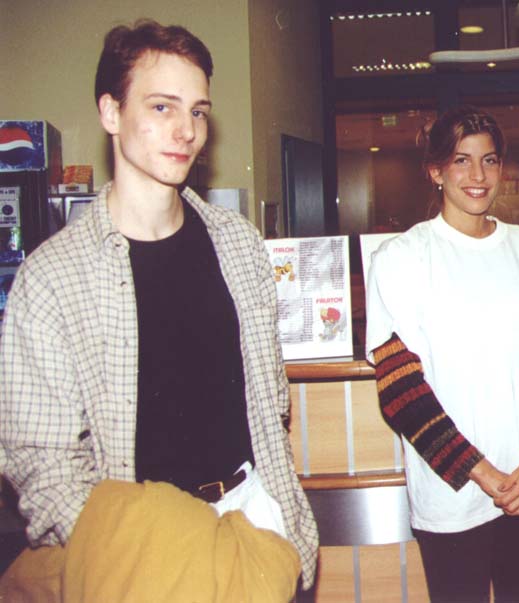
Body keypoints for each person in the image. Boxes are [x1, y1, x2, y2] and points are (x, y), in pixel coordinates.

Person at [0, 19, 318, 591]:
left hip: (252, 521)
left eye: (198, 111)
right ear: (111, 112)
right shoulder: (52, 277)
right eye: (162, 107)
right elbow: (41, 461)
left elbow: (269, 404)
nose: (186, 131)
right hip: (134, 548)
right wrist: (125, 547)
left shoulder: (239, 244)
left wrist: (275, 524)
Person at [365, 106, 519, 602]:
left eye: (489, 160)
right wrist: (485, 474)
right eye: (461, 160)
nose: (477, 176)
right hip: (454, 497)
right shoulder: (402, 258)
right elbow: (401, 393)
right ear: (436, 171)